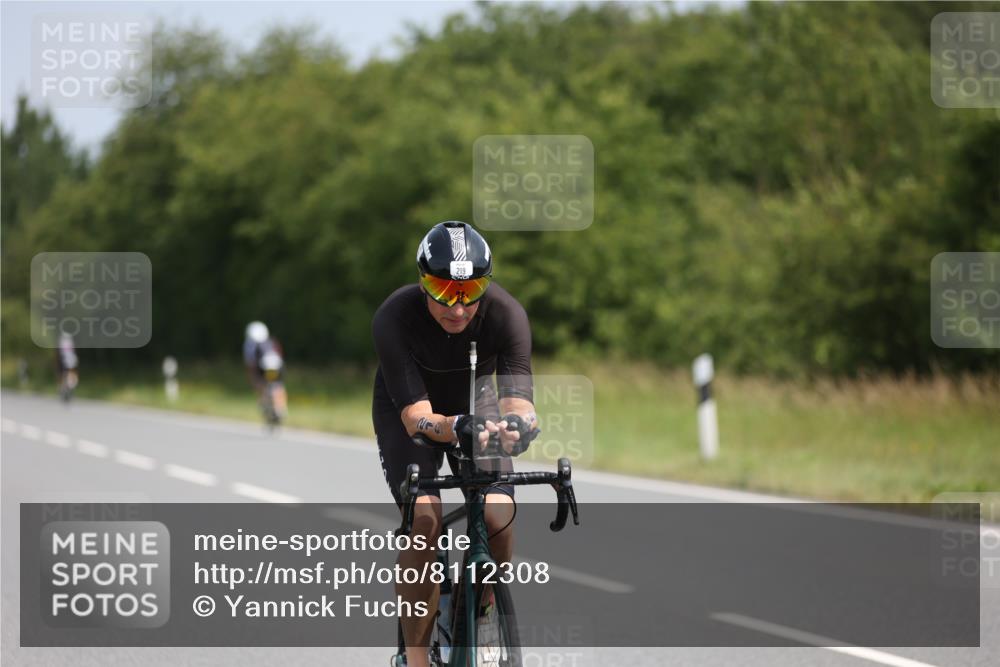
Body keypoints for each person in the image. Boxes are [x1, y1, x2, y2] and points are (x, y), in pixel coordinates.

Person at [372, 221, 540, 667]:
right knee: (425, 521)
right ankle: (417, 658)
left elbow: (519, 402)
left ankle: (479, 609)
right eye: (444, 290)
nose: (459, 306)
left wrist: (518, 426)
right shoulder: (395, 316)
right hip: (411, 410)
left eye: (471, 290)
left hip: (477, 401)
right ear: (422, 281)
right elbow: (417, 418)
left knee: (498, 515)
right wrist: (459, 425)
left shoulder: (506, 314)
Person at [55, 332, 78, 402]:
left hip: (65, 362)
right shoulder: (70, 344)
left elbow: (58, 354)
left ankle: (62, 388)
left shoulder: (61, 343)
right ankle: (67, 387)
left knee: (62, 375)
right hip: (69, 362)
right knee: (70, 374)